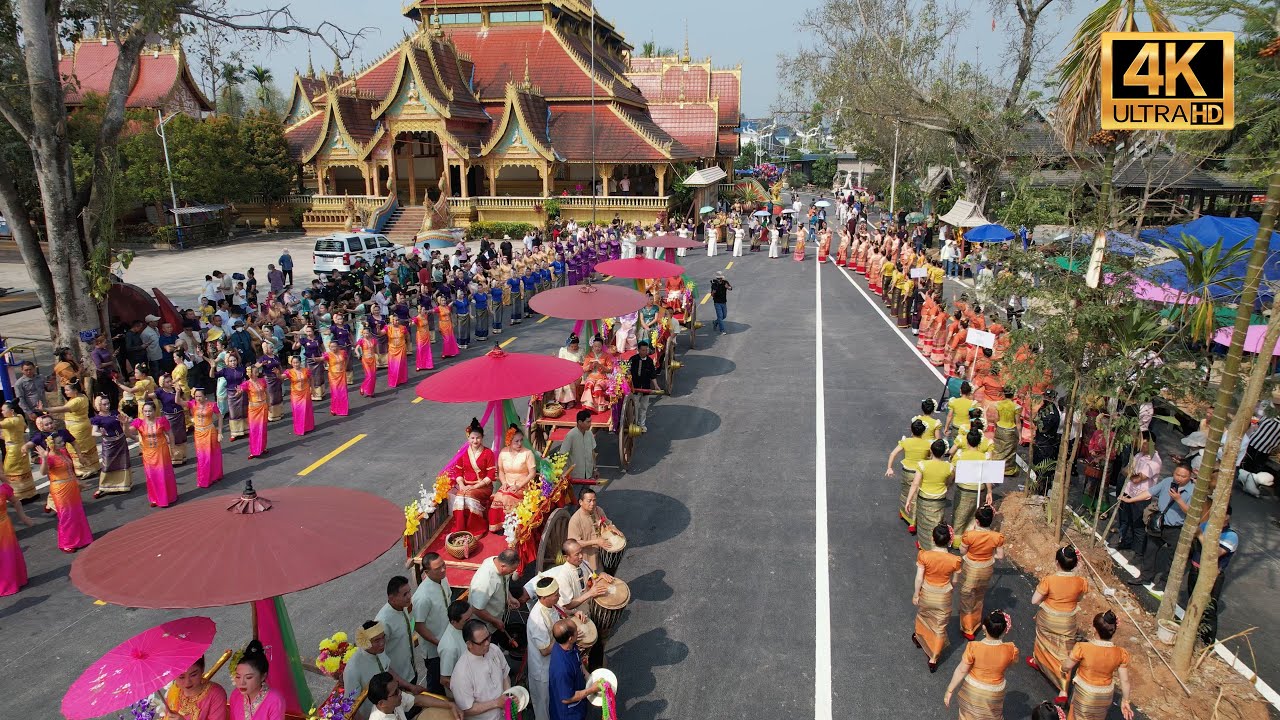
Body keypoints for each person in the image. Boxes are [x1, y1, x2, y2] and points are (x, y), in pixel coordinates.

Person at [1028, 546, 1089, 703]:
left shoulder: (1049, 580)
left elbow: (1034, 600)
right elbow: (1080, 599)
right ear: (1075, 564)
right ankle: (1063, 690)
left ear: (1057, 563)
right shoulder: (1081, 582)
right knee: (1063, 652)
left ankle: (1038, 662)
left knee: (1042, 642)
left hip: (1048, 618)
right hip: (1068, 622)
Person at [1121, 462, 1195, 586]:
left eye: (1183, 476)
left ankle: (1164, 582)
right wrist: (1130, 500)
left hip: (1176, 528)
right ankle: (1145, 576)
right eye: (1177, 474)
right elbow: (1149, 492)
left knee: (1173, 557)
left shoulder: (1193, 491)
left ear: (1190, 476)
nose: (1179, 478)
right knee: (1150, 550)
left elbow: (1191, 513)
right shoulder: (1167, 482)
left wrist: (1178, 500)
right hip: (1159, 523)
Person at [943, 610, 1018, 719]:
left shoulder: (973, 647)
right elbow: (1011, 664)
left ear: (984, 628)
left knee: (967, 716)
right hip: (994, 693)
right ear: (1005, 630)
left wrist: (949, 690)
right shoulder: (1011, 649)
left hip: (972, 691)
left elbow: (961, 670)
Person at [1062, 611, 1134, 720]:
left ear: (1094, 629)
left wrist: (1062, 668)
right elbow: (1125, 681)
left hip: (1085, 694)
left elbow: (1067, 666)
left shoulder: (1082, 647)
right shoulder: (1121, 653)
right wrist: (1125, 700)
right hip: (1105, 697)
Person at [912, 524, 962, 672]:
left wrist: (916, 594)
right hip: (943, 595)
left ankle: (920, 639)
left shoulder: (924, 555)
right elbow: (955, 581)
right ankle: (933, 658)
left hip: (927, 592)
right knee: (940, 627)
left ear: (932, 539)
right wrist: (951, 588)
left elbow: (919, 578)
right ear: (949, 540)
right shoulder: (955, 560)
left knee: (924, 617)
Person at [1188, 505, 1238, 644]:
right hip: (1195, 570)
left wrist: (1199, 535)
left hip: (1212, 577)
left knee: (1209, 610)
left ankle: (1208, 642)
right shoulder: (1206, 525)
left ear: (1227, 517)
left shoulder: (1231, 536)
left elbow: (1214, 554)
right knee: (1192, 601)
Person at [36, 430, 94, 552]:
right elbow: (43, 472)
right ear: (52, 445)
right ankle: (67, 542)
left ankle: (82, 538)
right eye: (59, 443)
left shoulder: (63, 452)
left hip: (71, 486)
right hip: (60, 489)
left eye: (62, 441)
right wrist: (45, 459)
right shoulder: (49, 458)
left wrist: (79, 483)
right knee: (66, 515)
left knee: (77, 512)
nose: (62, 444)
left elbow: (70, 470)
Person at [958, 506, 1006, 640]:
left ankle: (968, 628)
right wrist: (990, 556)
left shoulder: (969, 535)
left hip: (971, 568)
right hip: (987, 569)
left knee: (967, 597)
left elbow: (962, 551)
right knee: (979, 597)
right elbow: (1000, 556)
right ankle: (975, 623)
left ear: (977, 521)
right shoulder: (997, 537)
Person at [451, 619, 511, 720]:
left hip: (504, 714)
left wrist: (508, 695)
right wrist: (497, 703)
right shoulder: (462, 673)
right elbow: (466, 709)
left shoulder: (494, 649)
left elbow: (505, 675)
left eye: (488, 637)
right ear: (469, 644)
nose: (487, 643)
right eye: (482, 641)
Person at [412, 553, 452, 694]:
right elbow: (418, 626)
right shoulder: (422, 597)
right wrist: (439, 643)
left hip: (448, 643)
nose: (443, 570)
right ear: (427, 572)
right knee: (436, 686)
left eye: (443, 565)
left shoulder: (443, 579)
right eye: (438, 568)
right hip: (434, 651)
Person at [904, 440, 954, 550]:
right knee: (937, 521)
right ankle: (936, 545)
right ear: (943, 452)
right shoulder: (949, 467)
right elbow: (949, 482)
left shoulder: (922, 465)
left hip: (924, 497)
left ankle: (923, 544)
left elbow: (915, 483)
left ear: (931, 450)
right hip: (939, 499)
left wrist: (908, 500)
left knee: (923, 522)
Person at [44, 382, 101, 479]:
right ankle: (93, 466)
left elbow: (63, 408)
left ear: (75, 391)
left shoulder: (76, 401)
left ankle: (84, 469)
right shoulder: (82, 396)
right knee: (86, 446)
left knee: (78, 447)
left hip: (77, 429)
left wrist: (46, 409)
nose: (65, 392)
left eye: (67, 390)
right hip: (82, 425)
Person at [450, 418, 496, 536]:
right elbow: (458, 471)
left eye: (478, 438)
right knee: (460, 497)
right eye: (472, 438)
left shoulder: (488, 453)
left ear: (482, 438)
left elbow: (491, 475)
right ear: (468, 438)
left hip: (483, 486)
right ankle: (461, 528)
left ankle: (476, 529)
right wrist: (461, 486)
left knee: (470, 496)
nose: (475, 440)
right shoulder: (462, 452)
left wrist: (476, 486)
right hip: (466, 485)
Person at [886, 419, 933, 534]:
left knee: (906, 492)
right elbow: (930, 458)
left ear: (911, 430)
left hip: (907, 471)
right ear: (923, 432)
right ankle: (913, 521)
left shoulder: (906, 442)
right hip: (920, 473)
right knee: (916, 496)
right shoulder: (928, 444)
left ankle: (904, 512)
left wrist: (889, 467)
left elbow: (893, 453)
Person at [527, 576, 562, 720]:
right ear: (544, 597)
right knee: (543, 705)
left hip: (553, 663)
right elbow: (544, 650)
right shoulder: (537, 619)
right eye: (555, 595)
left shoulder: (551, 606)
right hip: (542, 670)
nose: (559, 596)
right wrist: (565, 636)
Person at [468, 549, 525, 636]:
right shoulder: (485, 581)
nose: (513, 572)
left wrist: (509, 598)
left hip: (496, 616)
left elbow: (503, 583)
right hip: (484, 623)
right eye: (512, 569)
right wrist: (494, 621)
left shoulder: (497, 562)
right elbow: (476, 609)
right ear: (503, 566)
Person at [492, 424, 536, 532]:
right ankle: (499, 526)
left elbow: (532, 473)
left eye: (521, 440)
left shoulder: (527, 453)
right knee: (497, 498)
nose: (520, 443)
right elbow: (501, 471)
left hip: (523, 486)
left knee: (507, 498)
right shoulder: (503, 452)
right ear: (509, 441)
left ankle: (511, 527)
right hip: (507, 485)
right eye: (516, 441)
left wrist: (518, 486)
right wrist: (503, 483)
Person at [549, 619, 596, 720]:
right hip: (569, 714)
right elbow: (566, 699)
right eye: (576, 630)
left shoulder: (565, 644)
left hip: (578, 701)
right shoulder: (562, 669)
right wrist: (592, 689)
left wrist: (589, 677)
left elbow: (577, 661)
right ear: (570, 638)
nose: (578, 630)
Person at [377, 576, 419, 685]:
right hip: (399, 680)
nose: (409, 596)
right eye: (405, 594)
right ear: (392, 598)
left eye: (409, 592)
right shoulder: (383, 622)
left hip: (411, 671)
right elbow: (380, 657)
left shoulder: (403, 606)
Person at [366, 672, 461, 720]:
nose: (400, 693)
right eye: (395, 692)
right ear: (382, 703)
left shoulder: (394, 700)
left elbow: (419, 700)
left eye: (398, 687)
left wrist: (450, 705)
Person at [89, 394, 133, 498]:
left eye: (108, 403)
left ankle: (123, 484)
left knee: (123, 462)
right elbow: (93, 432)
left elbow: (127, 420)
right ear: (99, 405)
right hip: (109, 443)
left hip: (121, 440)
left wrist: (127, 421)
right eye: (104, 404)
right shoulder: (97, 419)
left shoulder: (115, 413)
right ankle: (103, 487)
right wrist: (102, 433)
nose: (107, 406)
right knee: (107, 464)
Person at [229, 640, 285, 720]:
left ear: (263, 676)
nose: (242, 682)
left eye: (248, 677)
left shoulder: (274, 700)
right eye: (238, 677)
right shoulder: (235, 695)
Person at [165, 657, 230, 720]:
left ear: (202, 669)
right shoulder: (174, 692)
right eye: (181, 677)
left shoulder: (216, 694)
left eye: (193, 675)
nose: (187, 682)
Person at [0, 474, 33, 595]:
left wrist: (23, 517)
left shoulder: (3, 489)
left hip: (4, 527)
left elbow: (16, 502)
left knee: (8, 555)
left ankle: (13, 581)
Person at [187, 387, 224, 488]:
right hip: (198, 433)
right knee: (202, 456)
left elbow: (220, 417)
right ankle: (204, 479)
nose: (198, 398)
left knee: (213, 454)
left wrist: (220, 432)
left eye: (200, 396)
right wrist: (177, 392)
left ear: (205, 396)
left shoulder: (212, 405)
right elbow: (178, 402)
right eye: (196, 396)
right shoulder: (192, 404)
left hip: (210, 432)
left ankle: (215, 476)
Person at [1, 401, 37, 503]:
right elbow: (24, 427)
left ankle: (19, 495)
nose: (2, 412)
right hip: (19, 445)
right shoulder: (20, 417)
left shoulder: (11, 421)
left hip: (14, 450)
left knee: (11, 471)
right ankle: (29, 493)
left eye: (4, 410)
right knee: (22, 469)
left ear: (11, 411)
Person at [151, 374, 188, 465]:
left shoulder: (176, 389)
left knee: (181, 435)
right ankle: (174, 458)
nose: (169, 383)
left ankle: (182, 456)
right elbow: (151, 396)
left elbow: (183, 399)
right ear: (162, 383)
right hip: (169, 417)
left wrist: (179, 391)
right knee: (171, 436)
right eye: (167, 382)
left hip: (179, 414)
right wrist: (144, 393)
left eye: (170, 381)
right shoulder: (160, 391)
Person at [438, 601, 473, 691]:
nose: (471, 621)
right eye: (466, 620)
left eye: (471, 617)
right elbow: (444, 680)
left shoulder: (463, 627)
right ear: (453, 622)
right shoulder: (449, 648)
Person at [240, 365, 270, 459]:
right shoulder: (246, 384)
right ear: (250, 373)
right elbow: (240, 391)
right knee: (254, 429)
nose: (257, 373)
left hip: (263, 406)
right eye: (255, 371)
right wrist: (238, 392)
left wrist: (269, 405)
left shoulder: (262, 380)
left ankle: (263, 447)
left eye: (257, 371)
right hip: (254, 409)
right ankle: (254, 451)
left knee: (263, 428)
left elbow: (267, 392)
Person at [629, 341, 659, 431]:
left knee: (644, 407)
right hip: (635, 387)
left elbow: (653, 375)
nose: (644, 352)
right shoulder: (633, 359)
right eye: (642, 350)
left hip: (646, 387)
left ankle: (642, 425)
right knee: (635, 407)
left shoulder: (650, 361)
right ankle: (634, 424)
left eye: (646, 350)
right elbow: (628, 372)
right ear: (638, 350)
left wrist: (656, 386)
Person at [560, 410, 597, 480]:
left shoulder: (589, 433)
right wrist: (564, 474)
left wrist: (595, 470)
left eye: (590, 421)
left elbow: (592, 452)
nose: (590, 424)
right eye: (588, 422)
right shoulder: (571, 435)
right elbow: (562, 455)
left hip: (588, 474)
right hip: (575, 476)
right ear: (580, 422)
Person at [284, 356, 314, 437]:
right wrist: (276, 373)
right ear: (291, 363)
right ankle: (299, 429)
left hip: (305, 392)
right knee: (298, 411)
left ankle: (308, 427)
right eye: (294, 363)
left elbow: (311, 378)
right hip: (296, 394)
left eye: (297, 362)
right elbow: (281, 377)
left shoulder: (305, 370)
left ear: (300, 362)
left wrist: (312, 388)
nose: (296, 364)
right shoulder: (289, 372)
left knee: (306, 410)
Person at [554, 336, 585, 405]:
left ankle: (570, 401)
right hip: (565, 371)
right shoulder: (563, 350)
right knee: (561, 381)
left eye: (576, 346)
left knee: (570, 381)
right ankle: (562, 400)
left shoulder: (581, 351)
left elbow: (585, 363)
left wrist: (580, 363)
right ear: (568, 345)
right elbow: (560, 363)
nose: (574, 348)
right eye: (572, 346)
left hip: (577, 373)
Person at [322, 341, 350, 416]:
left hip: (342, 374)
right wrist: (317, 359)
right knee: (335, 392)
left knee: (343, 392)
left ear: (338, 346)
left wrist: (345, 366)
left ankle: (343, 410)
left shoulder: (343, 352)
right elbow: (323, 359)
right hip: (333, 376)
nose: (334, 348)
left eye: (335, 346)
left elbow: (347, 358)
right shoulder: (327, 354)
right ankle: (334, 409)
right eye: (332, 347)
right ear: (329, 348)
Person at [385, 315, 409, 388]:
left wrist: (407, 345)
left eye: (398, 320)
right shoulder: (388, 328)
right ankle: (393, 381)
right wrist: (378, 328)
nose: (397, 321)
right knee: (394, 367)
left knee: (401, 365)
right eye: (395, 320)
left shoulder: (402, 327)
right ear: (392, 321)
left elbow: (407, 336)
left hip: (401, 348)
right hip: (392, 350)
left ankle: (402, 380)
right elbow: (380, 333)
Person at [413, 306, 435, 372]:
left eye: (425, 309)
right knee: (420, 350)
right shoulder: (417, 318)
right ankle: (419, 365)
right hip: (420, 336)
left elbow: (431, 311)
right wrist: (411, 323)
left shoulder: (425, 316)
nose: (424, 311)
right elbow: (412, 323)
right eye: (423, 310)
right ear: (419, 310)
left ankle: (428, 364)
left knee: (427, 350)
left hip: (426, 336)